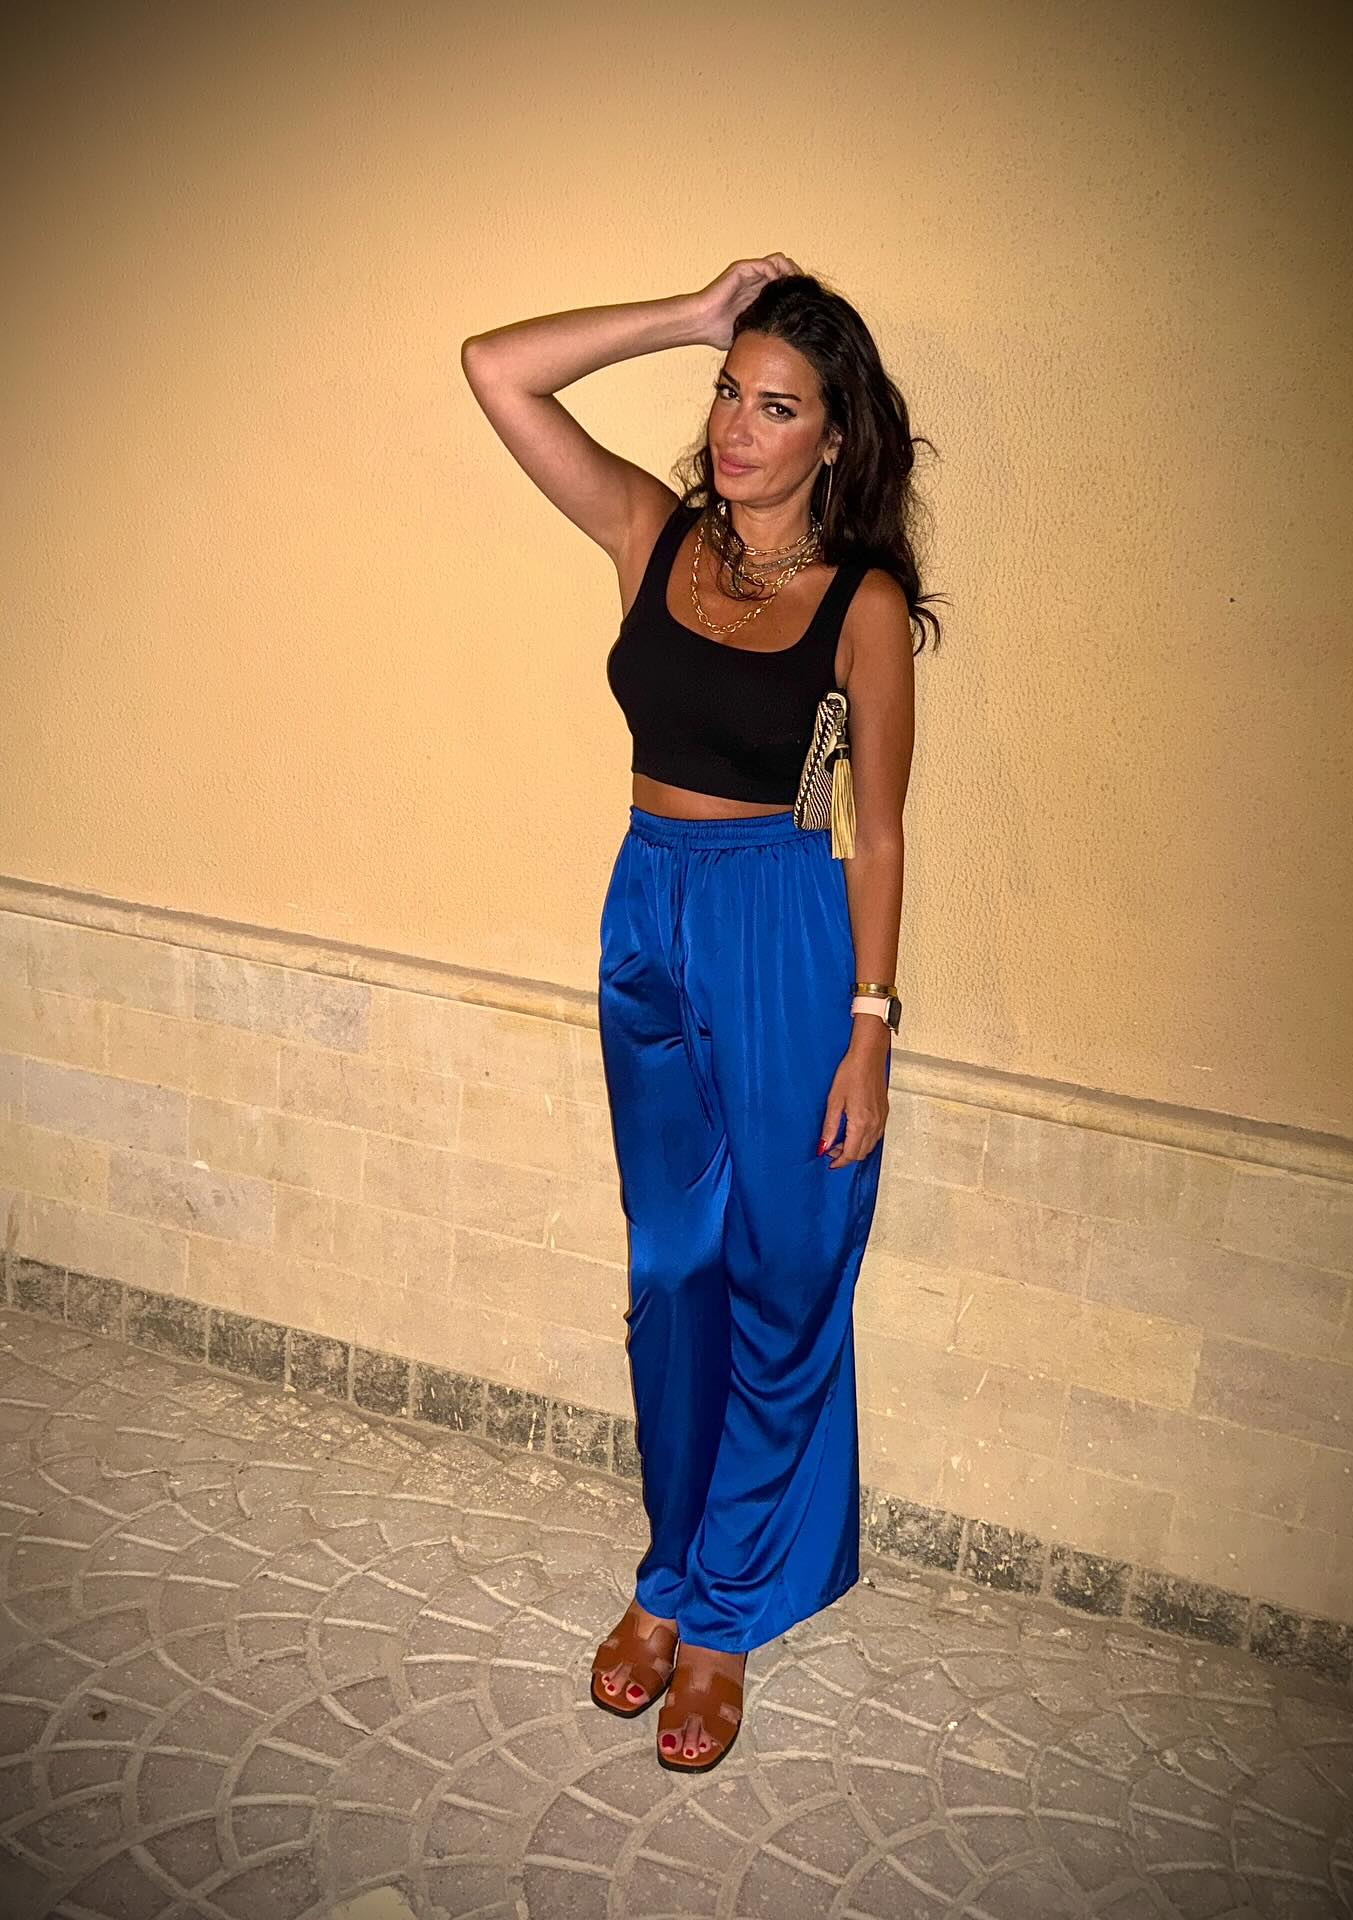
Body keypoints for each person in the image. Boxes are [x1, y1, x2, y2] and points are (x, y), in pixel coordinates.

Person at [460, 255, 939, 1773]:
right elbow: (495, 367)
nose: (737, 427)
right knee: (674, 1269)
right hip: (648, 915)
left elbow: (877, 827)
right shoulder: (649, 532)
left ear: (835, 439)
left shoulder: (860, 604)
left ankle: (725, 1613)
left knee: (788, 1268)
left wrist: (870, 1024)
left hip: (785, 929)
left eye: (777, 407)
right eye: (728, 392)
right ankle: (668, 1572)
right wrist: (685, 313)